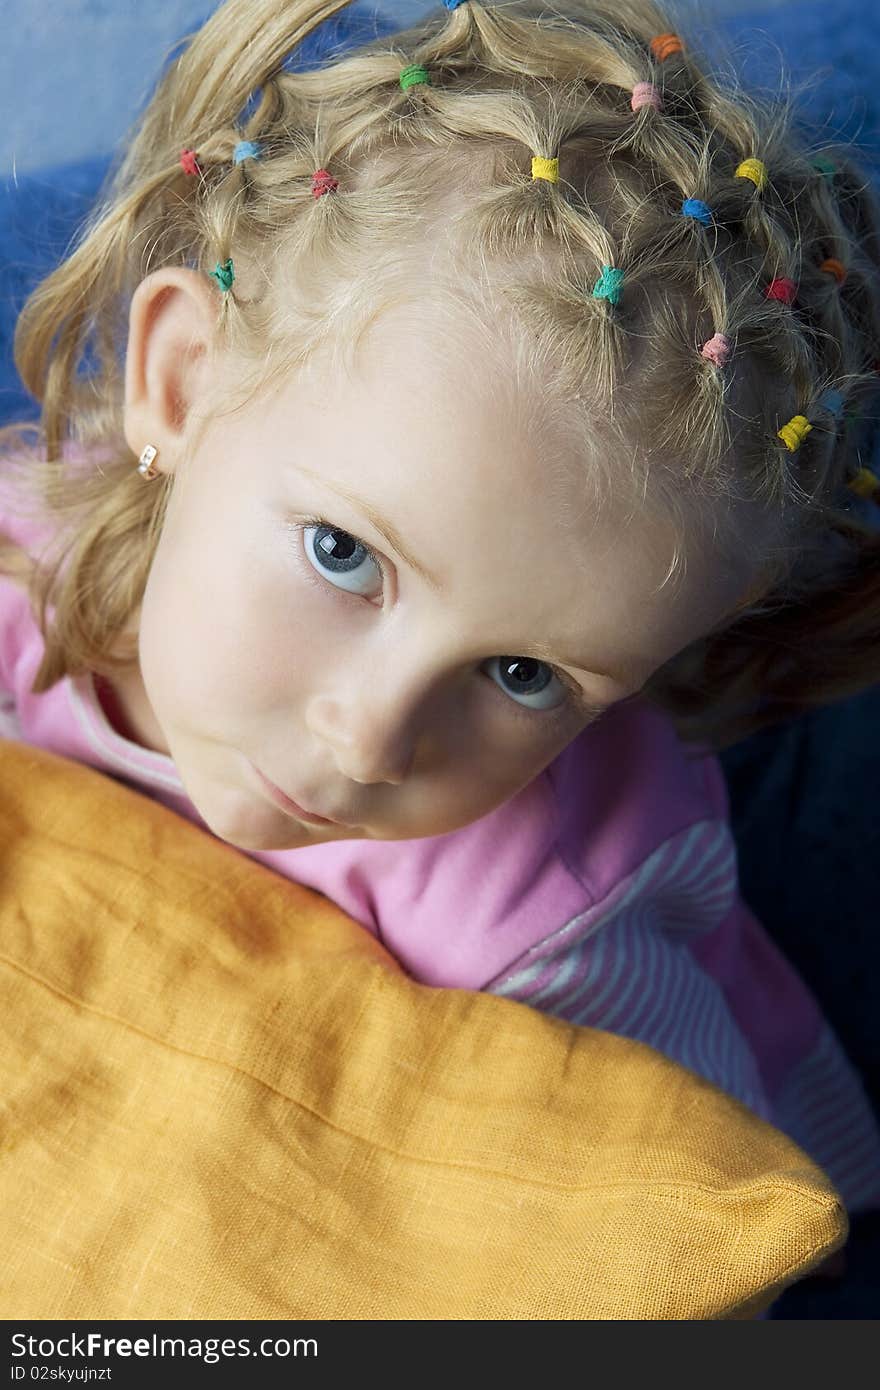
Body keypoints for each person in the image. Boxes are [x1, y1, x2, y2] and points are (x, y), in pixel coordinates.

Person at [2, 0, 880, 1238]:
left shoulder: (542, 931)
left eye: (525, 673)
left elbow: (686, 1214)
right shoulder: (24, 543)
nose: (370, 741)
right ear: (180, 382)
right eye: (341, 555)